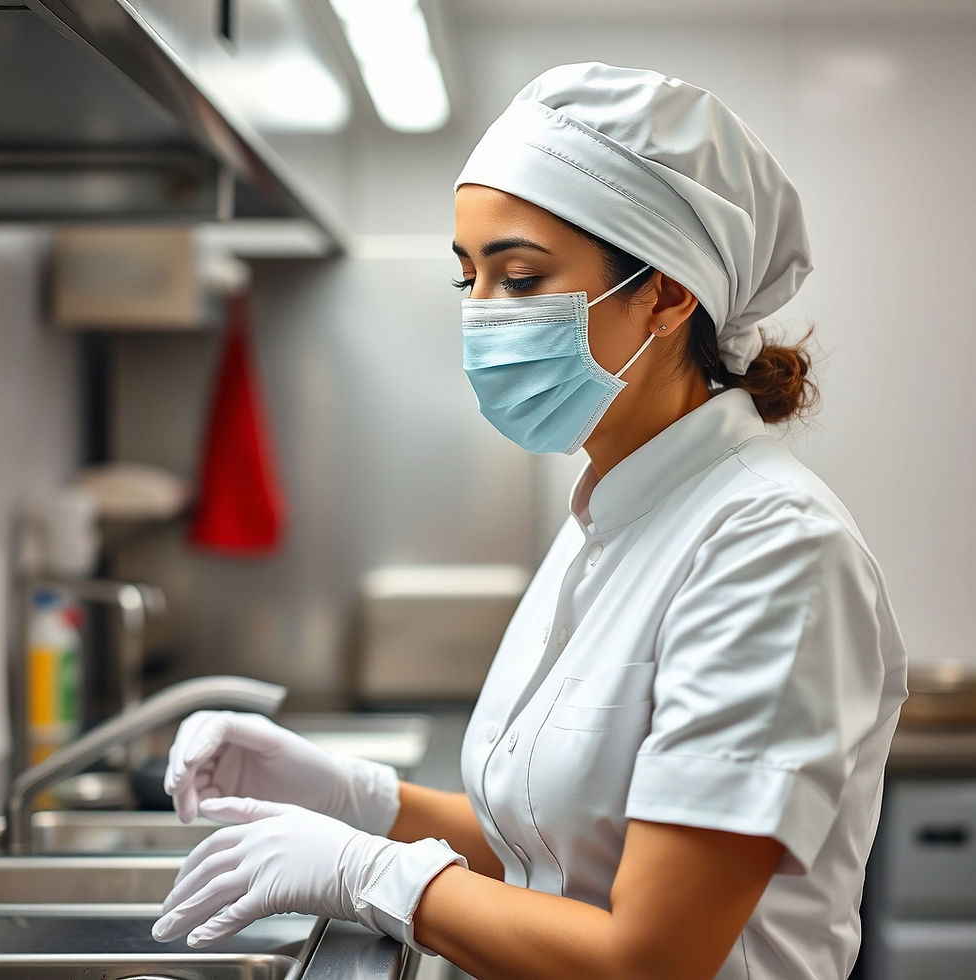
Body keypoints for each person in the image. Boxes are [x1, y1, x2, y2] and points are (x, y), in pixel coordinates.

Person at [152, 63, 908, 980]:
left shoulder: (773, 549)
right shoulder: (613, 515)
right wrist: (358, 798)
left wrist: (366, 872)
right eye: (467, 278)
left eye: (519, 278)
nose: (480, 318)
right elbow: (552, 846)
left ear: (668, 293)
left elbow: (651, 959)